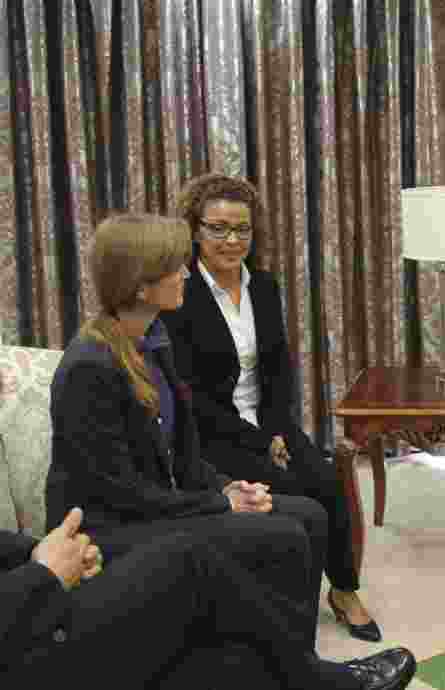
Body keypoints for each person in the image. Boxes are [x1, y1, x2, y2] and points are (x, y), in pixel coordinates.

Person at [43, 213, 415, 688]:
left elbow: (183, 454)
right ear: (140, 286)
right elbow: (123, 494)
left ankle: (291, 666)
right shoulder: (89, 366)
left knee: (308, 516)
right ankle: (307, 678)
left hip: (156, 505)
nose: (185, 273)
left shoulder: (153, 341)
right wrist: (222, 504)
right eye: (176, 266)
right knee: (280, 536)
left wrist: (225, 485)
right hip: (110, 531)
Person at [163, 173, 380, 641]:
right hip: (217, 436)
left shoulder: (263, 286)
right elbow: (192, 397)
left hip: (269, 424)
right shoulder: (180, 296)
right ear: (195, 230)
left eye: (242, 228)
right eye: (218, 228)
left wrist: (279, 431)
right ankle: (285, 613)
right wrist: (260, 442)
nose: (232, 239)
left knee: (328, 482)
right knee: (294, 498)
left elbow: (279, 370)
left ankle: (343, 590)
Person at [1, 507, 416, 689]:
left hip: (28, 607)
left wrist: (45, 553)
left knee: (225, 660)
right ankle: (327, 682)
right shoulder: (86, 367)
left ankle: (312, 679)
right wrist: (45, 574)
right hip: (21, 645)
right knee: (186, 560)